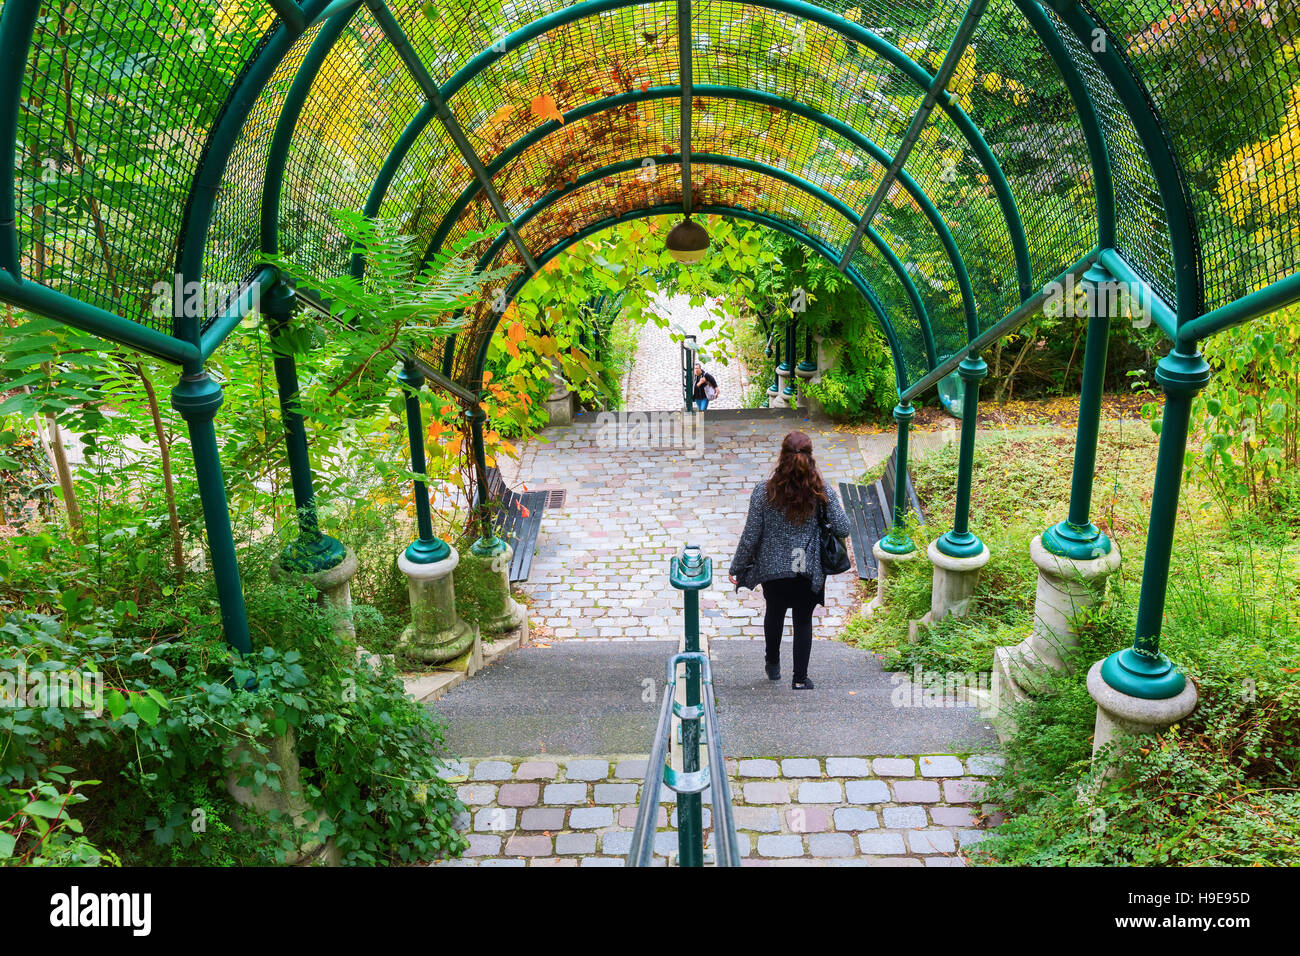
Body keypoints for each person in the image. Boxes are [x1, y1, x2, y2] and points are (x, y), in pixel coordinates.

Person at [729, 431, 852, 690]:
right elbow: (843, 528)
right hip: (807, 569)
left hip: (774, 570)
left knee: (774, 613)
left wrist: (737, 567)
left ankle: (773, 666)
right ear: (810, 457)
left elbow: (751, 535)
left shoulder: (764, 491)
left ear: (782, 457)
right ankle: (799, 678)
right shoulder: (821, 491)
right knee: (803, 620)